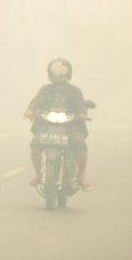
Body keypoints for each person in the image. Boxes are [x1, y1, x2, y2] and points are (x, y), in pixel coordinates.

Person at [24, 58, 91, 190]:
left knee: (80, 143)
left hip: (70, 127)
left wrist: (82, 113)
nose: (59, 75)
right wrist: (29, 111)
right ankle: (38, 173)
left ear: (68, 73)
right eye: (56, 72)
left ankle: (81, 175)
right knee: (35, 144)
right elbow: (35, 101)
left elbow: (81, 106)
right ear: (50, 73)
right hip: (47, 125)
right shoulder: (45, 90)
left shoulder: (75, 91)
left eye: (62, 72)